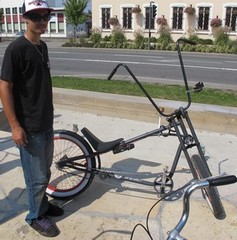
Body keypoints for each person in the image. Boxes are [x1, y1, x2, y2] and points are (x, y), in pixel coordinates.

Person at [0, 0, 63, 237]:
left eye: (46, 16)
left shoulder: (42, 46)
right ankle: (34, 216)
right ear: (25, 18)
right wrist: (15, 126)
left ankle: (43, 206)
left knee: (45, 173)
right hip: (29, 126)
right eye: (37, 17)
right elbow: (4, 86)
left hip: (45, 122)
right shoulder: (16, 49)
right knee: (36, 177)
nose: (43, 21)